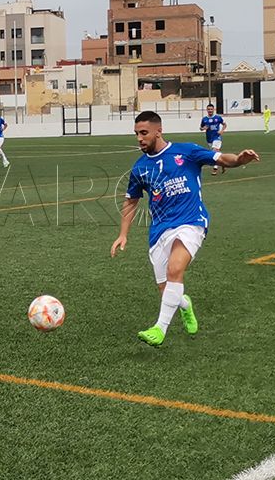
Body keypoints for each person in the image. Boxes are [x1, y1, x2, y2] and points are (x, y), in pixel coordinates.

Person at [111, 111, 260, 347]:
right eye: (136, 134)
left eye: (144, 133)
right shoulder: (140, 168)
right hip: (160, 230)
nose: (139, 138)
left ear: (158, 131)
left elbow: (222, 159)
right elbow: (131, 201)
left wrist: (240, 159)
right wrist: (123, 234)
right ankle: (184, 304)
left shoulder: (186, 151)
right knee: (167, 289)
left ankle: (159, 329)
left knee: (175, 269)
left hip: (192, 222)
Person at [199, 104, 227, 175]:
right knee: (215, 153)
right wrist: (203, 128)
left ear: (214, 109)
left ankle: (215, 169)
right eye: (209, 109)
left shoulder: (218, 118)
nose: (210, 111)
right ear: (207, 110)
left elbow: (224, 124)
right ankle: (224, 163)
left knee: (214, 151)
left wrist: (221, 131)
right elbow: (201, 128)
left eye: (211, 109)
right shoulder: (204, 119)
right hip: (209, 138)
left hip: (217, 137)